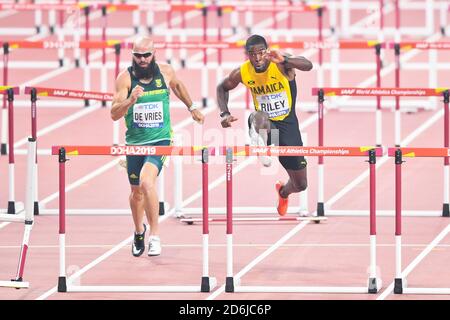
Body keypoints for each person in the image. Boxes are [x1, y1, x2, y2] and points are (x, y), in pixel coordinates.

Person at [111, 36, 204, 257]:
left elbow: (178, 86)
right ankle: (138, 230)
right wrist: (130, 101)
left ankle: (155, 235)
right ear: (132, 55)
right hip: (135, 142)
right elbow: (114, 114)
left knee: (146, 181)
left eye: (146, 55)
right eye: (138, 55)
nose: (142, 59)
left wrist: (192, 107)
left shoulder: (166, 71)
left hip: (161, 139)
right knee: (136, 193)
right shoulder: (125, 79)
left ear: (154, 54)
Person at [217, 34, 312, 216]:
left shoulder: (281, 63)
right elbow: (222, 87)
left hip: (288, 126)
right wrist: (225, 113)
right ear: (247, 55)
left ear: (267, 51)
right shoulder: (243, 71)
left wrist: (285, 59)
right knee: (259, 116)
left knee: (301, 184)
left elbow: (308, 65)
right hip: (265, 123)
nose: (257, 58)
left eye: (261, 53)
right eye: (252, 54)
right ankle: (259, 141)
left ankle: (283, 192)